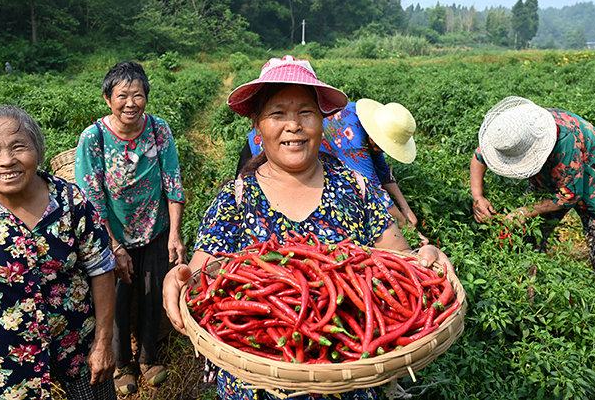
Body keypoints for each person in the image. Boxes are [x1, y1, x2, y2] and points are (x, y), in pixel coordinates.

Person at [163, 55, 454, 400]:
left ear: (322, 122)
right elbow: (200, 276)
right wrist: (177, 278)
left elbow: (401, 264)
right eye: (277, 113)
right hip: (255, 387)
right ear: (257, 127)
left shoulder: (355, 188)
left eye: (305, 112)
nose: (294, 125)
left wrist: (424, 259)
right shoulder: (235, 199)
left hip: (349, 378)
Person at [0, 105, 117, 400]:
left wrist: (103, 342)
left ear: (38, 152)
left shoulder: (70, 201)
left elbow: (101, 269)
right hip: (5, 362)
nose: (6, 161)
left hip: (77, 345)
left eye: (18, 147)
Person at [75, 61, 186, 395]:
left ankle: (149, 358)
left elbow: (172, 182)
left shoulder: (157, 130)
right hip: (113, 233)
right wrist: (113, 245)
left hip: (156, 229)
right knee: (116, 299)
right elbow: (92, 198)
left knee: (154, 293)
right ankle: (122, 363)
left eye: (138, 95)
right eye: (122, 95)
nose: (131, 103)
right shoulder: (94, 138)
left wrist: (176, 233)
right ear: (108, 98)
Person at [239, 98, 421, 234]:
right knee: (251, 202)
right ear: (374, 136)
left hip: (297, 151)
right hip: (265, 148)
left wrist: (405, 207)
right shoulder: (353, 140)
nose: (382, 149)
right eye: (382, 143)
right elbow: (372, 189)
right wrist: (409, 231)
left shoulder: (367, 120)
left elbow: (381, 168)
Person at [470, 95, 595, 282]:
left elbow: (570, 195)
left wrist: (525, 211)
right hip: (550, 177)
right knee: (527, 237)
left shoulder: (565, 140)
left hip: (593, 175)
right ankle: (531, 284)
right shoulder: (511, 133)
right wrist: (478, 196)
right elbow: (479, 156)